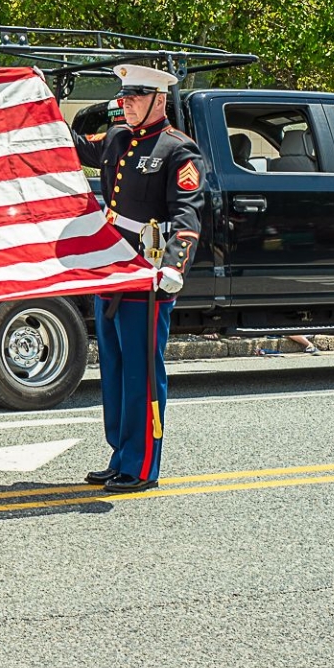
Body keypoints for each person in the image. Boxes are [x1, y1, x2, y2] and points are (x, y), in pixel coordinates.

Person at [70, 63, 206, 493]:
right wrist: (41, 102)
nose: (126, 103)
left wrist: (175, 264)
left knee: (141, 374)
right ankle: (120, 455)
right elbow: (72, 146)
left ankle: (142, 465)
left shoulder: (178, 150)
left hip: (148, 275)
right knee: (113, 371)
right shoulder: (117, 138)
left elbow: (187, 215)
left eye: (136, 97)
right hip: (111, 270)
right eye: (124, 96)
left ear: (159, 100)